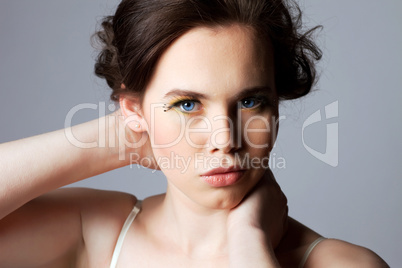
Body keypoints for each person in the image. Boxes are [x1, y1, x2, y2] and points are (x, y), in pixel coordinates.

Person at [0, 0, 389, 267]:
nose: (225, 138)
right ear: (132, 109)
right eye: (187, 104)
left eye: (252, 101)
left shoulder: (341, 263)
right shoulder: (97, 233)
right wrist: (121, 140)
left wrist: (248, 245)